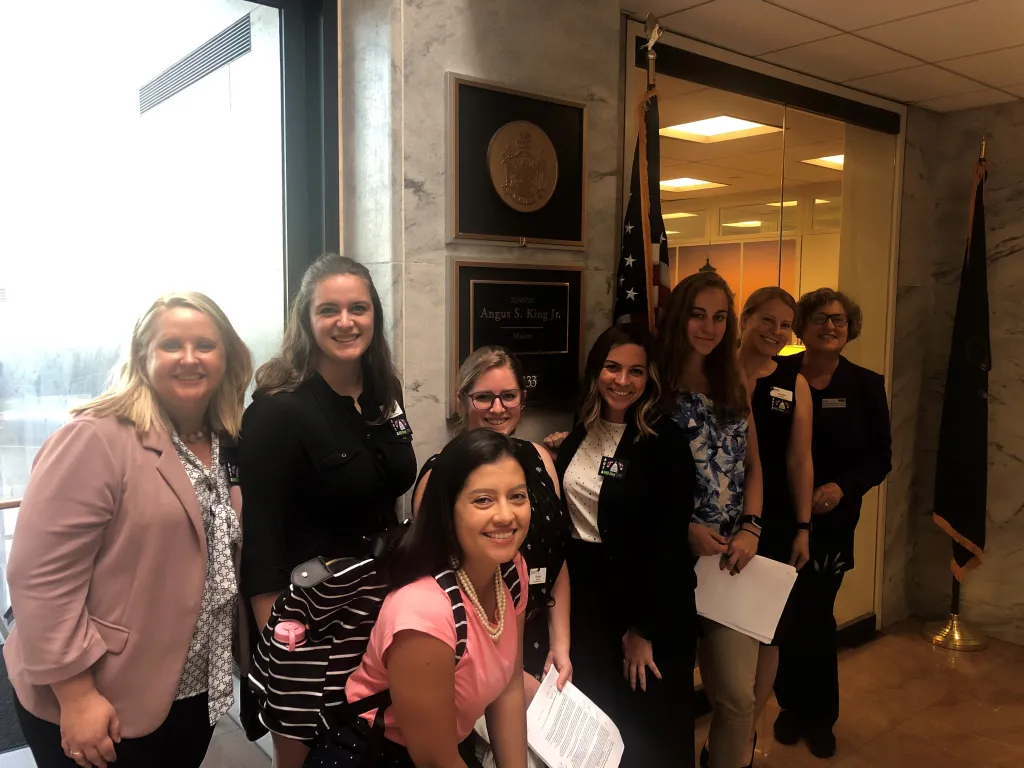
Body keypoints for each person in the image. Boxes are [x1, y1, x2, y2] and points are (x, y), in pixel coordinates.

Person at [5, 293, 253, 768]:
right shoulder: (96, 438)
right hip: (102, 692)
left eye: (205, 344)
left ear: (228, 357)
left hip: (194, 687)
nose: (188, 358)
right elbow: (40, 578)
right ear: (143, 356)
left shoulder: (226, 441)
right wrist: (76, 695)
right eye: (170, 345)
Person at [239, 253, 417, 767]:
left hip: (381, 605)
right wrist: (281, 647)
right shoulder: (277, 411)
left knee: (368, 747)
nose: (346, 322)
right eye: (329, 310)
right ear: (306, 320)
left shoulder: (387, 393)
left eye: (358, 308)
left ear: (375, 316)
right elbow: (263, 537)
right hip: (310, 616)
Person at [343, 429, 530, 767]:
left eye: (517, 496)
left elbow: (509, 687)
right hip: (382, 754)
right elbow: (434, 759)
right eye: (483, 500)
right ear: (448, 509)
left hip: (449, 745)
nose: (506, 515)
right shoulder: (424, 611)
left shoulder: (511, 571)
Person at [555, 324, 698, 767]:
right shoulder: (582, 430)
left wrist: (644, 630)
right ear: (596, 371)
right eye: (612, 368)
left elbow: (671, 545)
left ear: (650, 378)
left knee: (647, 729)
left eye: (636, 371)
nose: (622, 380)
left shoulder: (665, 442)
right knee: (599, 718)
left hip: (644, 604)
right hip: (587, 601)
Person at [412, 346, 571, 702]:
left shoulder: (541, 459)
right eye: (483, 397)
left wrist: (560, 646)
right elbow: (440, 588)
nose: (497, 409)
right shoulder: (441, 476)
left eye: (508, 396)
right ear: (461, 401)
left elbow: (557, 556)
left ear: (522, 399)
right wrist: (511, 676)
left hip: (542, 647)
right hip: (475, 653)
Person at [772, 288, 891, 759]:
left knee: (817, 616)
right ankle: (788, 707)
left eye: (838, 320)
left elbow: (881, 458)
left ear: (850, 328)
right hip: (780, 519)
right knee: (781, 614)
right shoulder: (779, 376)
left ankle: (820, 716)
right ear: (802, 327)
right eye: (820, 319)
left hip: (833, 522)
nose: (830, 327)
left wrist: (843, 487)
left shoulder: (866, 384)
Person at [658, 272, 763, 768]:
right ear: (680, 316)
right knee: (668, 697)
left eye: (720, 316)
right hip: (669, 559)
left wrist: (751, 526)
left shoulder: (733, 377)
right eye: (698, 314)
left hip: (727, 559)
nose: (709, 327)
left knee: (739, 700)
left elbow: (754, 465)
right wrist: (680, 528)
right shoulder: (655, 381)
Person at [736, 287, 814, 762]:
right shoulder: (717, 373)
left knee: (769, 631)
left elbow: (799, 459)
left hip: (779, 521)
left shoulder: (793, 380)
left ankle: (748, 728)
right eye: (767, 320)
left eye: (785, 325)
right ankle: (729, 715)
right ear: (745, 319)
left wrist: (803, 526)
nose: (776, 331)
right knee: (723, 626)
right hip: (722, 517)